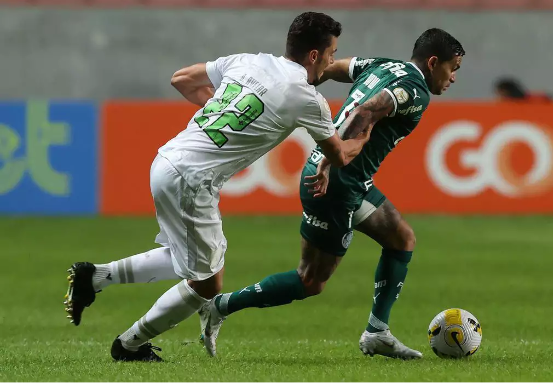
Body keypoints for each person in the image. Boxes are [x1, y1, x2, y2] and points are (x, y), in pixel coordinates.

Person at [63, 11, 372, 362]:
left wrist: (225, 110)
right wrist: (367, 129)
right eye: (332, 53)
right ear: (315, 55)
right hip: (193, 179)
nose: (332, 62)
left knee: (188, 261)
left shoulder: (247, 61)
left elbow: (181, 79)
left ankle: (96, 277)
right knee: (208, 283)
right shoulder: (306, 97)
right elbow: (340, 154)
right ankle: (129, 345)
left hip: (166, 160)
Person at [202, 28, 465, 360]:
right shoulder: (414, 90)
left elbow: (335, 67)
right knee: (310, 281)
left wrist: (305, 85)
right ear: (432, 62)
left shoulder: (383, 65)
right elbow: (368, 110)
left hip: (350, 181)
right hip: (334, 183)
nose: (453, 77)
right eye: (452, 68)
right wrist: (331, 156)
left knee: (401, 239)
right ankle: (220, 306)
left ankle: (376, 332)